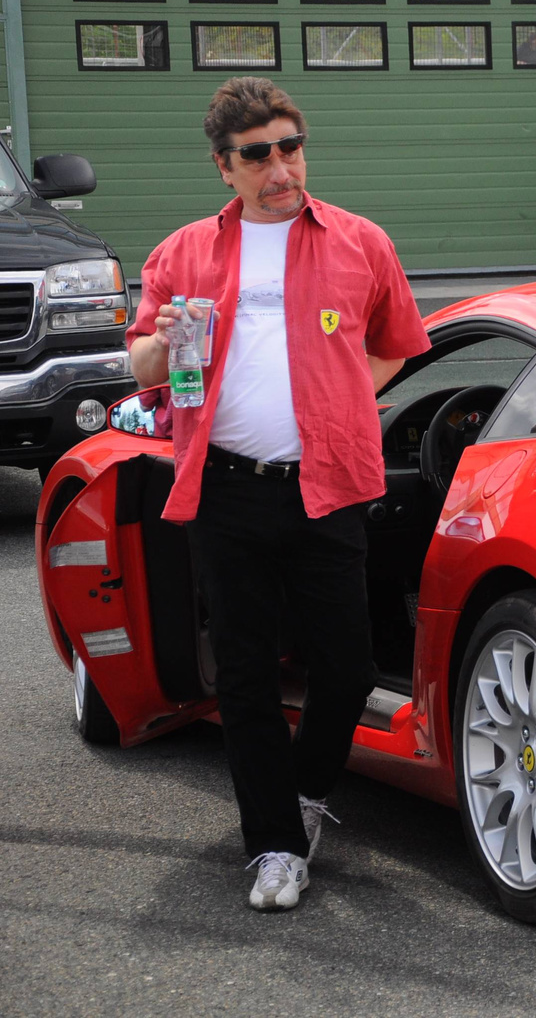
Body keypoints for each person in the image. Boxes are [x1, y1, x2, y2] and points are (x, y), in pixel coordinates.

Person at [125, 77, 431, 912]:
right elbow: (146, 367)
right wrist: (164, 337)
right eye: (258, 155)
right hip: (225, 488)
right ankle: (273, 845)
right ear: (225, 166)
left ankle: (301, 794)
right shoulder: (186, 251)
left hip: (327, 489)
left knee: (346, 666)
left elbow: (399, 343)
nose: (280, 167)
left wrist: (343, 403)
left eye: (290, 147)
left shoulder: (359, 241)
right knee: (248, 674)